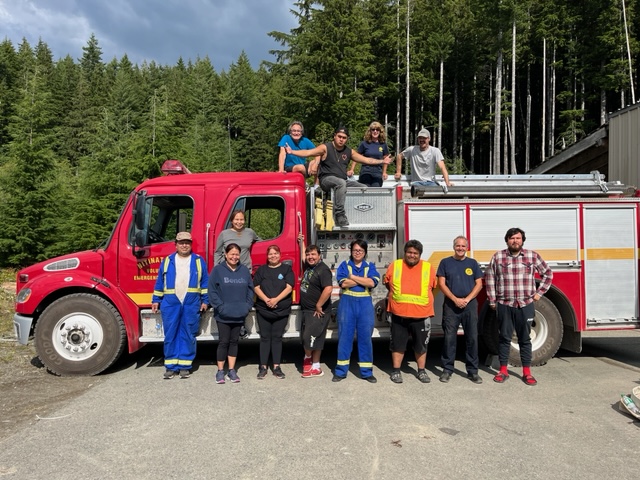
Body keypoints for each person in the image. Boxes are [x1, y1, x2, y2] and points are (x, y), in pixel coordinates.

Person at [484, 227, 553, 386]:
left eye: (518, 238)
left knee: (524, 339)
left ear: (522, 240)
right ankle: (503, 371)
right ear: (507, 240)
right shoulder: (498, 257)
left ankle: (527, 373)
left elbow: (548, 274)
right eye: (512, 238)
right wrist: (493, 300)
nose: (515, 241)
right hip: (504, 304)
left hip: (525, 304)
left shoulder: (532, 256)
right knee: (504, 338)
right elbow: (490, 279)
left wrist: (539, 293)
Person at [285, 125, 391, 227]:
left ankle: (358, 214)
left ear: (347, 139)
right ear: (335, 136)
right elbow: (308, 152)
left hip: (343, 180)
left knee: (363, 188)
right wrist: (292, 151)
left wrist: (382, 160)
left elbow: (366, 160)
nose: (341, 139)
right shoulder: (326, 147)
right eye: (339, 136)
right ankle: (339, 214)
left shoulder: (349, 151)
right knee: (341, 183)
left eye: (344, 138)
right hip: (326, 179)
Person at [151, 232, 209, 380]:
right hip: (171, 302)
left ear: (191, 244)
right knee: (171, 334)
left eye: (187, 243)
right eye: (181, 242)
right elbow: (159, 282)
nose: (184, 245)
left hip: (191, 302)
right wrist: (156, 299)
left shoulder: (198, 261)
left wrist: (205, 300)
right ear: (175, 244)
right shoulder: (167, 261)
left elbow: (204, 283)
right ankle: (170, 367)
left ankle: (184, 366)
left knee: (188, 334)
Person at [384, 239, 437, 384]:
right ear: (405, 253)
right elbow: (388, 283)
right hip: (399, 313)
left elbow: (432, 286)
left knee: (421, 346)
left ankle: (421, 371)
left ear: (420, 254)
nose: (412, 255)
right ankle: (396, 371)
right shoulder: (395, 265)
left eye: (415, 253)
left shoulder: (428, 267)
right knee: (397, 345)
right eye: (409, 252)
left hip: (422, 314)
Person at [436, 235, 484, 384]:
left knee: (472, 338)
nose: (460, 248)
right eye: (458, 245)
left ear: (467, 248)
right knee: (450, 338)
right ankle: (447, 370)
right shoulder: (445, 262)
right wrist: (455, 299)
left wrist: (467, 299)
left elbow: (479, 284)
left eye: (463, 246)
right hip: (451, 305)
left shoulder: (473, 263)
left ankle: (473, 371)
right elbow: (441, 284)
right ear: (453, 247)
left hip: (469, 305)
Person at [333, 239, 380, 383]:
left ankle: (366, 372)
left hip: (365, 305)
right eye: (355, 250)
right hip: (347, 304)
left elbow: (372, 282)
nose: (357, 253)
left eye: (360, 250)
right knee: (344, 338)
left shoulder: (369, 266)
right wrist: (363, 280)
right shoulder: (344, 265)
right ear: (351, 252)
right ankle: (341, 371)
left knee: (365, 339)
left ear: (365, 252)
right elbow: (343, 283)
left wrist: (352, 277)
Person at [208, 243, 254, 384]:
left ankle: (232, 371)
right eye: (232, 254)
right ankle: (220, 371)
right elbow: (212, 291)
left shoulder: (244, 270)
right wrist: (220, 307)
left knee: (234, 342)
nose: (234, 257)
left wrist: (246, 307)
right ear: (226, 255)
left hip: (239, 313)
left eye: (237, 254)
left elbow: (250, 290)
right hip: (223, 314)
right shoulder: (217, 271)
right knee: (223, 342)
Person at [253, 245, 294, 379]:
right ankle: (263, 367)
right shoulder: (262, 270)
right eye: (270, 254)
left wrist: (276, 300)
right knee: (265, 338)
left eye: (275, 253)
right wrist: (266, 300)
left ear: (280, 254)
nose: (273, 256)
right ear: (267, 256)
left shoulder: (286, 269)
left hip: (281, 310)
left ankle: (276, 366)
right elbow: (256, 287)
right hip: (264, 309)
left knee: (277, 338)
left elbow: (289, 287)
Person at [299, 242, 333, 378]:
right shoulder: (311, 266)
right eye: (308, 254)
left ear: (319, 256)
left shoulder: (323, 270)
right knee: (315, 338)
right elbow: (303, 258)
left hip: (317, 311)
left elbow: (328, 288)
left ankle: (308, 360)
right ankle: (316, 366)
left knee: (310, 337)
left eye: (313, 254)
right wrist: (301, 243)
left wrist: (319, 305)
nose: (310, 257)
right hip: (308, 310)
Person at [347, 121, 390, 187]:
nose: (375, 131)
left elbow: (386, 160)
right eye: (373, 129)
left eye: (377, 129)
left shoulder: (383, 145)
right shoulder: (364, 144)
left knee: (376, 190)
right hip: (366, 170)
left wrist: (384, 172)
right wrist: (352, 169)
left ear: (380, 131)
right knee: (365, 188)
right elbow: (356, 157)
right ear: (370, 131)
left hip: (378, 171)